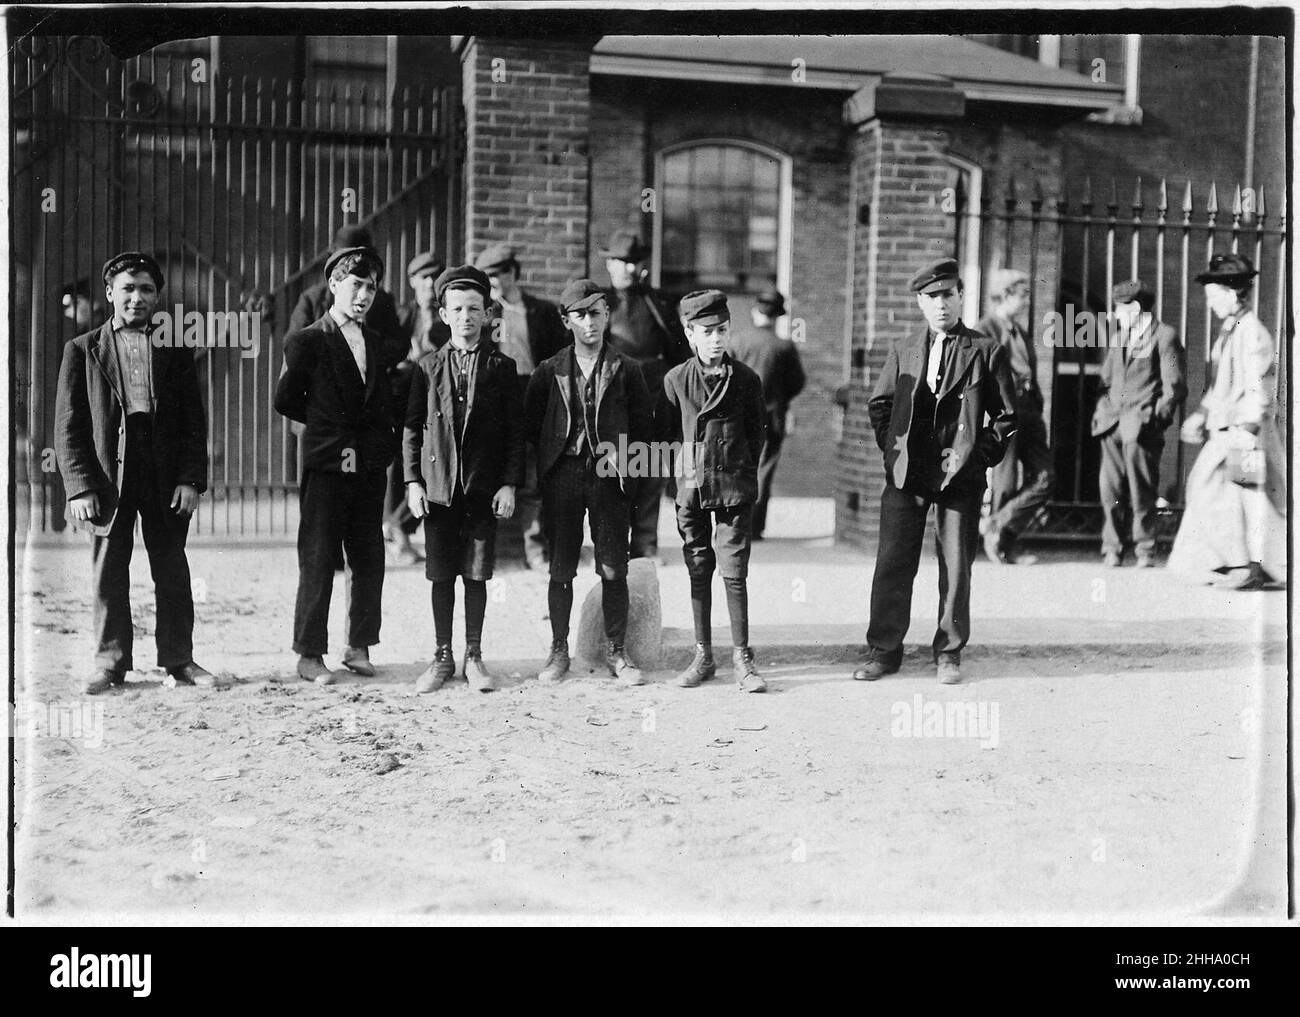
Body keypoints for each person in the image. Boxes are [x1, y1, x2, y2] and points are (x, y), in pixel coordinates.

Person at [54, 251, 218, 694]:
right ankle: (110, 662)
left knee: (171, 568)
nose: (136, 298)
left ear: (156, 296)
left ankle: (179, 660)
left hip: (162, 470)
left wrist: (190, 479)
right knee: (109, 570)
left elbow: (191, 422)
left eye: (146, 289)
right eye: (127, 288)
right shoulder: (83, 350)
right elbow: (69, 425)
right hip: (110, 474)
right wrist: (80, 486)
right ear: (109, 293)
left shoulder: (175, 351)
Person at [853, 258, 1017, 686]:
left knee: (957, 566)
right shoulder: (904, 348)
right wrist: (894, 452)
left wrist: (978, 457)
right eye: (931, 297)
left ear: (961, 296)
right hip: (908, 473)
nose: (940, 304)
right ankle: (884, 651)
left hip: (959, 476)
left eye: (948, 295)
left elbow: (1008, 416)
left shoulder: (985, 350)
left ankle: (948, 652)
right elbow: (880, 405)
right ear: (920, 304)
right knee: (892, 562)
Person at [273, 246, 398, 684]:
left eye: (372, 287)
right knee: (320, 555)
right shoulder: (308, 340)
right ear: (333, 285)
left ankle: (359, 646)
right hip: (327, 464)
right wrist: (328, 428)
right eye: (356, 284)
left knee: (368, 555)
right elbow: (286, 400)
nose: (364, 295)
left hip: (367, 466)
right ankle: (309, 654)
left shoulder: (379, 344)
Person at [524, 279, 654, 687]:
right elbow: (531, 429)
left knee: (613, 568)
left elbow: (646, 430)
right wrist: (544, 473)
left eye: (595, 313)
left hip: (608, 479)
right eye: (579, 315)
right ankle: (559, 648)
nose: (589, 322)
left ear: (607, 315)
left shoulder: (627, 369)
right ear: (566, 321)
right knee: (561, 567)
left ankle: (617, 651)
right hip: (563, 476)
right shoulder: (549, 371)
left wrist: (626, 469)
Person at [404, 265, 524, 693]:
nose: (467, 316)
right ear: (443, 314)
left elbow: (514, 432)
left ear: (489, 314)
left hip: (480, 488)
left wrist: (508, 482)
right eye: (457, 308)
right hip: (438, 488)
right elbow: (412, 428)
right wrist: (412, 482)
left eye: (475, 308)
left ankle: (473, 655)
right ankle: (442, 656)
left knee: (476, 574)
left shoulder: (502, 367)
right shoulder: (427, 367)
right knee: (440, 574)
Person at [663, 290, 768, 692]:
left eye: (722, 330)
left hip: (734, 488)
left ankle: (742, 657)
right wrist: (682, 475)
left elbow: (759, 434)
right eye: (706, 332)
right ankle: (703, 654)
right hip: (692, 489)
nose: (716, 339)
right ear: (690, 334)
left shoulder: (746, 379)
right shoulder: (676, 380)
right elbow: (667, 437)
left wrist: (739, 469)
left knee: (734, 570)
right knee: (698, 567)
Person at [1169, 254, 1285, 589]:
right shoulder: (1230, 331)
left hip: (1245, 434)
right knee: (1223, 493)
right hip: (1228, 431)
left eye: (1213, 296)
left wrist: (1247, 433)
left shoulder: (1252, 334)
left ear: (1233, 294)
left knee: (1248, 496)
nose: (1210, 304)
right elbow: (1221, 383)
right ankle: (1237, 563)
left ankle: (1246, 566)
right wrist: (1201, 413)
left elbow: (1259, 387)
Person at [474, 242, 568, 571]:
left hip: (533, 392)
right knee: (490, 468)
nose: (492, 284)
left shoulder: (541, 311)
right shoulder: (485, 313)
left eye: (496, 276)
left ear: (512, 273)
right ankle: (488, 551)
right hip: (496, 396)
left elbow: (561, 357)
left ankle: (534, 548)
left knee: (530, 473)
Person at [601, 230, 690, 559]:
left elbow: (677, 352)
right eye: (619, 261)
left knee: (651, 472)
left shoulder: (658, 303)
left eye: (631, 262)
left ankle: (644, 545)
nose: (625, 268)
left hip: (654, 398)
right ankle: (612, 545)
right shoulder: (601, 304)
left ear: (640, 266)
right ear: (609, 264)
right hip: (614, 399)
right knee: (615, 471)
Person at [1090, 279, 1187, 568]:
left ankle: (1144, 549)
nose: (1115, 314)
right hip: (1111, 425)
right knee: (1110, 491)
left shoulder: (1165, 336)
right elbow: (1105, 380)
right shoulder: (1120, 337)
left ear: (1134, 307)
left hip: (1142, 426)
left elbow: (1175, 387)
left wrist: (1155, 419)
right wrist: (1102, 409)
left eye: (1119, 308)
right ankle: (1113, 548)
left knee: (1141, 491)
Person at [977, 268, 1054, 564]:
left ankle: (998, 522)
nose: (1026, 303)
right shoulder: (985, 329)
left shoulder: (1020, 332)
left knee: (1046, 477)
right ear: (1006, 295)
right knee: (1005, 481)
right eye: (1022, 296)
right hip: (1003, 412)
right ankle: (1004, 548)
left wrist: (1036, 404)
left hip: (1029, 411)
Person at [386, 250, 450, 566]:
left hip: (438, 404)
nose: (429, 283)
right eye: (423, 277)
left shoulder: (447, 316)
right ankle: (396, 527)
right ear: (412, 282)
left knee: (432, 462)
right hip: (403, 399)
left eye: (434, 277)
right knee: (401, 463)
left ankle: (401, 525)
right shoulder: (401, 316)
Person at [726, 288, 805, 540]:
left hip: (738, 417)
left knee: (738, 467)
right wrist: (779, 399)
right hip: (772, 416)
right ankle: (755, 527)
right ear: (778, 316)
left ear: (754, 312)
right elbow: (798, 381)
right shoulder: (784, 346)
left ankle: (735, 523)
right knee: (764, 470)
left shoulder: (737, 341)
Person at [288, 224, 405, 356]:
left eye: (363, 261)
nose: (363, 295)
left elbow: (398, 344)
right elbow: (294, 342)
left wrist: (368, 352)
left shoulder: (382, 299)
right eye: (347, 261)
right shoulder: (312, 298)